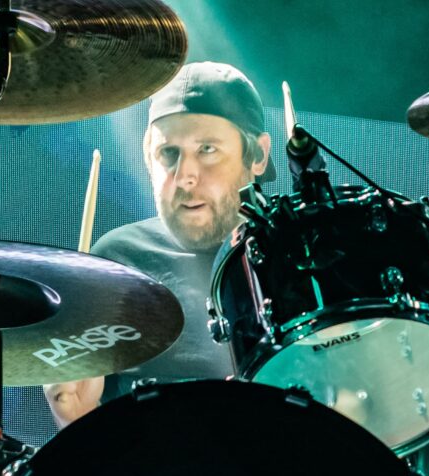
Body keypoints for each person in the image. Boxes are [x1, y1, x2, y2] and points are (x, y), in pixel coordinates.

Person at [44, 61, 275, 428]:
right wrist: (72, 415)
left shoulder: (298, 254)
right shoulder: (115, 262)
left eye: (207, 149)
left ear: (258, 155)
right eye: (169, 153)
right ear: (148, 159)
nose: (185, 176)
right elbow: (96, 453)